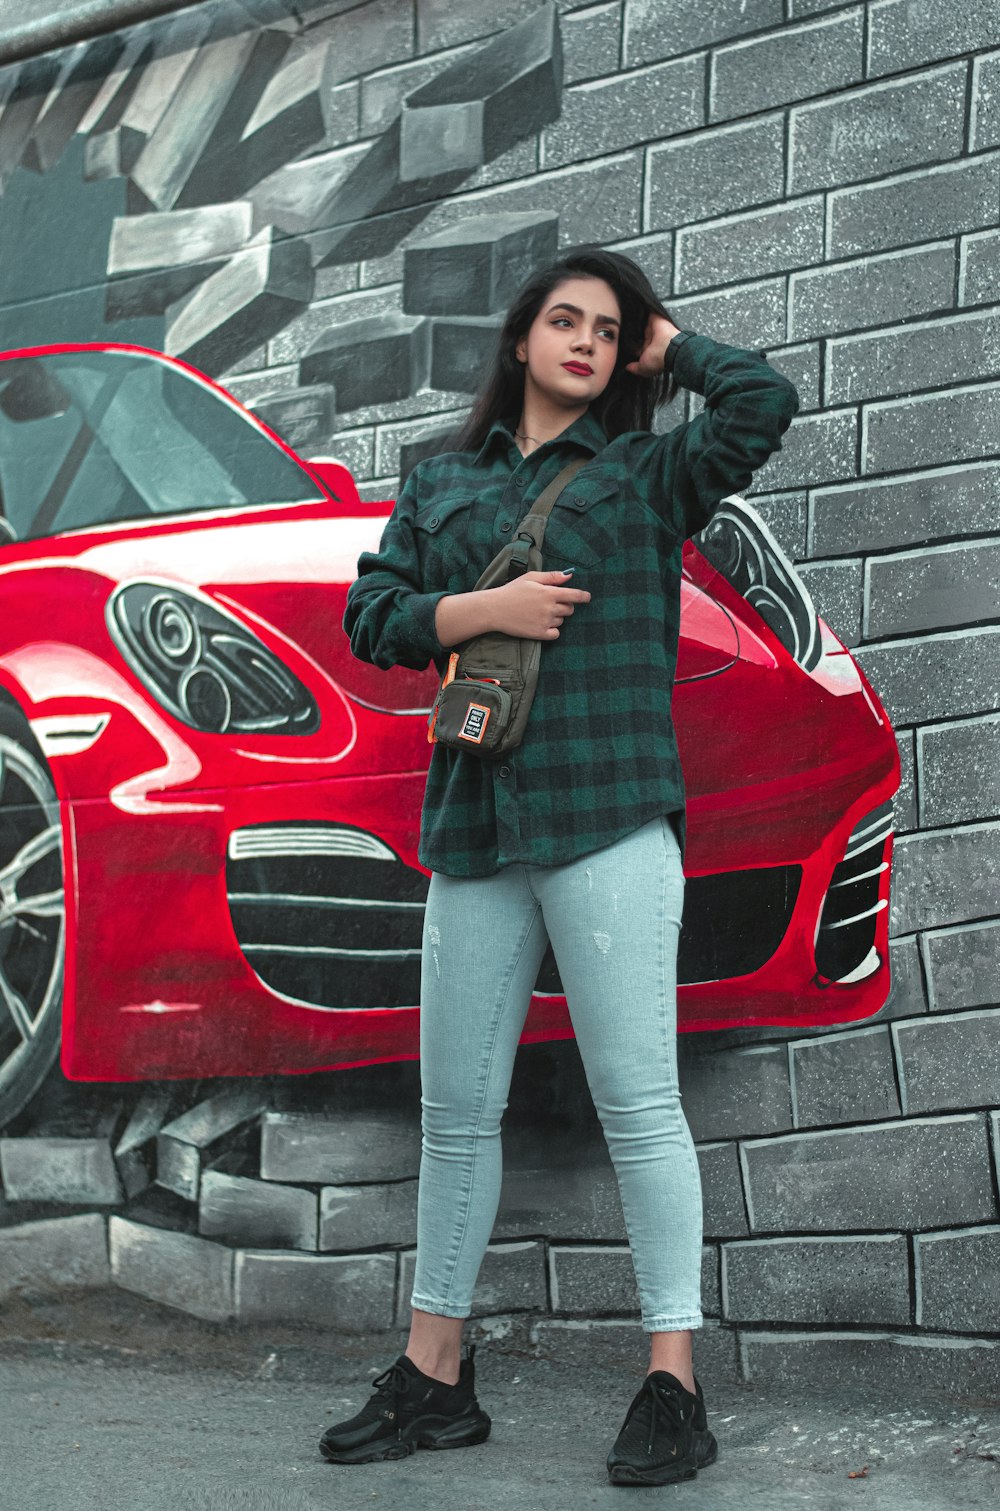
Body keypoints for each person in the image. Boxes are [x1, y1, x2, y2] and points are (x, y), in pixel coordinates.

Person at [322, 246, 800, 1486]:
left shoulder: (649, 471)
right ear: (521, 340)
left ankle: (672, 1381)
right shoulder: (438, 485)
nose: (587, 340)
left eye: (609, 328)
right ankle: (434, 1371)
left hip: (609, 823)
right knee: (455, 1115)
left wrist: (670, 349)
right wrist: (482, 611)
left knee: (640, 1105)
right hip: (476, 831)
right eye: (565, 320)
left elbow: (761, 405)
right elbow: (372, 618)